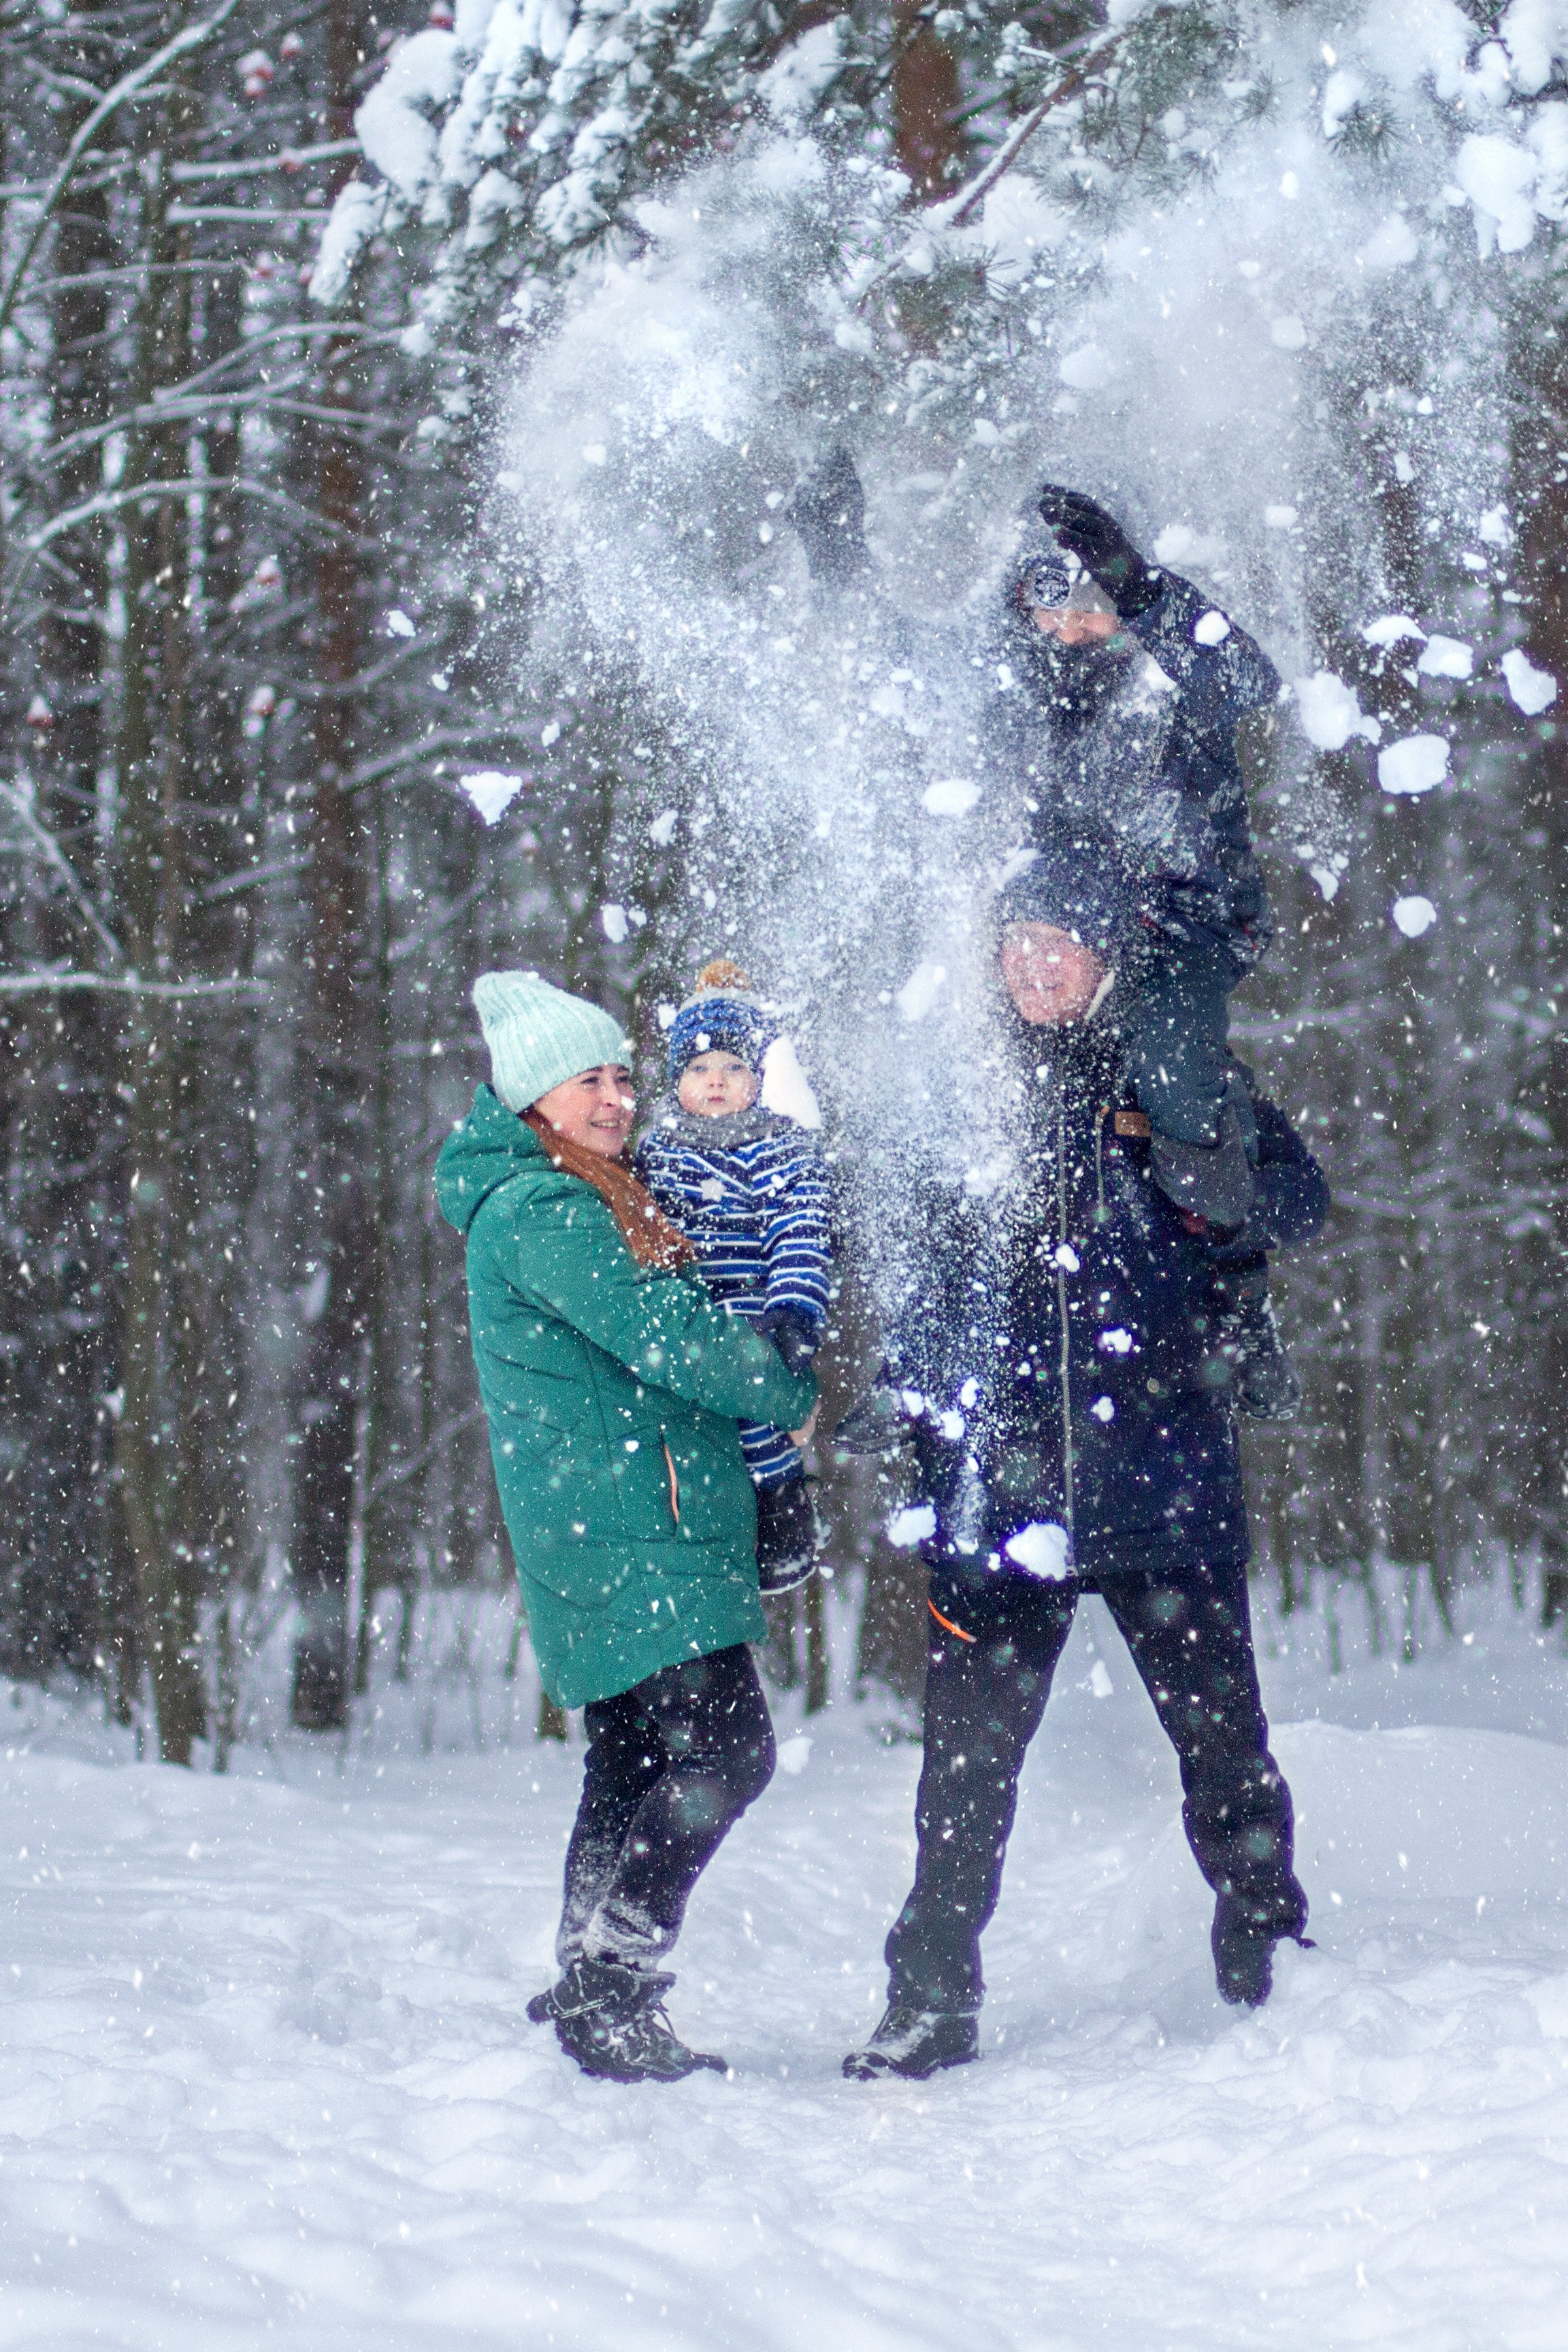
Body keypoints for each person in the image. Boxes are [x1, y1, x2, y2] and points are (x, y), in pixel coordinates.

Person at [840, 828, 1327, 2082]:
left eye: (1055, 946)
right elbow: (911, 1267)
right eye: (1013, 947)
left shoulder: (1175, 1075)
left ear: (1103, 957)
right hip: (1002, 1506)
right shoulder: (960, 1089)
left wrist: (1209, 1178)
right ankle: (926, 2001)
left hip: (1160, 1484)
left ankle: (1271, 1965)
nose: (1032, 968)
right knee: (963, 1780)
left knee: (1223, 1751)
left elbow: (1299, 1201)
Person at [435, 971, 817, 2084]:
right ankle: (614, 1983)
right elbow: (669, 1334)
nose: (611, 1098)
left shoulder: (583, 1185)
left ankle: (582, 1968)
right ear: (531, 1098)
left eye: (616, 1074)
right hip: (629, 1527)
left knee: (632, 1755)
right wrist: (786, 1382)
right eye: (582, 1080)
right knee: (728, 1751)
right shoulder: (549, 1209)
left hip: (612, 1520)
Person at [634, 960, 832, 1596]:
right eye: (698, 1069)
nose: (715, 1081)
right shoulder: (658, 1150)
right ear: (675, 1080)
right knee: (690, 1438)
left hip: (754, 1321)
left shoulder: (776, 1147)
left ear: (758, 1077)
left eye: (732, 1068)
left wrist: (795, 1311)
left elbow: (799, 1231)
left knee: (762, 1428)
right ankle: (702, 1539)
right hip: (685, 1318)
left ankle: (783, 1521)